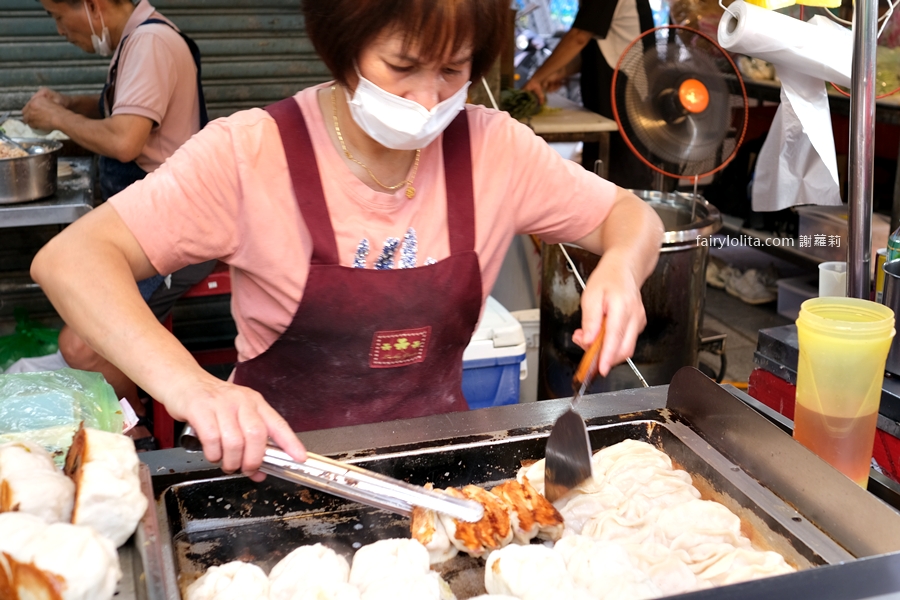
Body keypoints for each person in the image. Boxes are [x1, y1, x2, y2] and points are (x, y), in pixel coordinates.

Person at [32, 0, 665, 478]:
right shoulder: (251, 152)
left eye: (453, 70)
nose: (427, 99)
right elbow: (72, 259)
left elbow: (632, 216)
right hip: (281, 474)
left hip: (443, 470)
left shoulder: (495, 149)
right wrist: (190, 385)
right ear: (343, 47)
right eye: (402, 67)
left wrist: (619, 267)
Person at [23, 0, 216, 435]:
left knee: (82, 346)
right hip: (144, 226)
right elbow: (127, 109)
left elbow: (126, 139)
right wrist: (72, 105)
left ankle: (139, 430)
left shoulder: (150, 41)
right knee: (77, 301)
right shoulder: (137, 39)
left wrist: (57, 117)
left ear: (92, 5)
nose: (59, 30)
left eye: (58, 16)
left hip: (178, 233)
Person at [524, 0, 656, 187]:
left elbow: (579, 36)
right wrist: (560, 71)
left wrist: (537, 79)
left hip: (623, 99)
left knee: (621, 179)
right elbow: (598, 46)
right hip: (607, 99)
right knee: (600, 174)